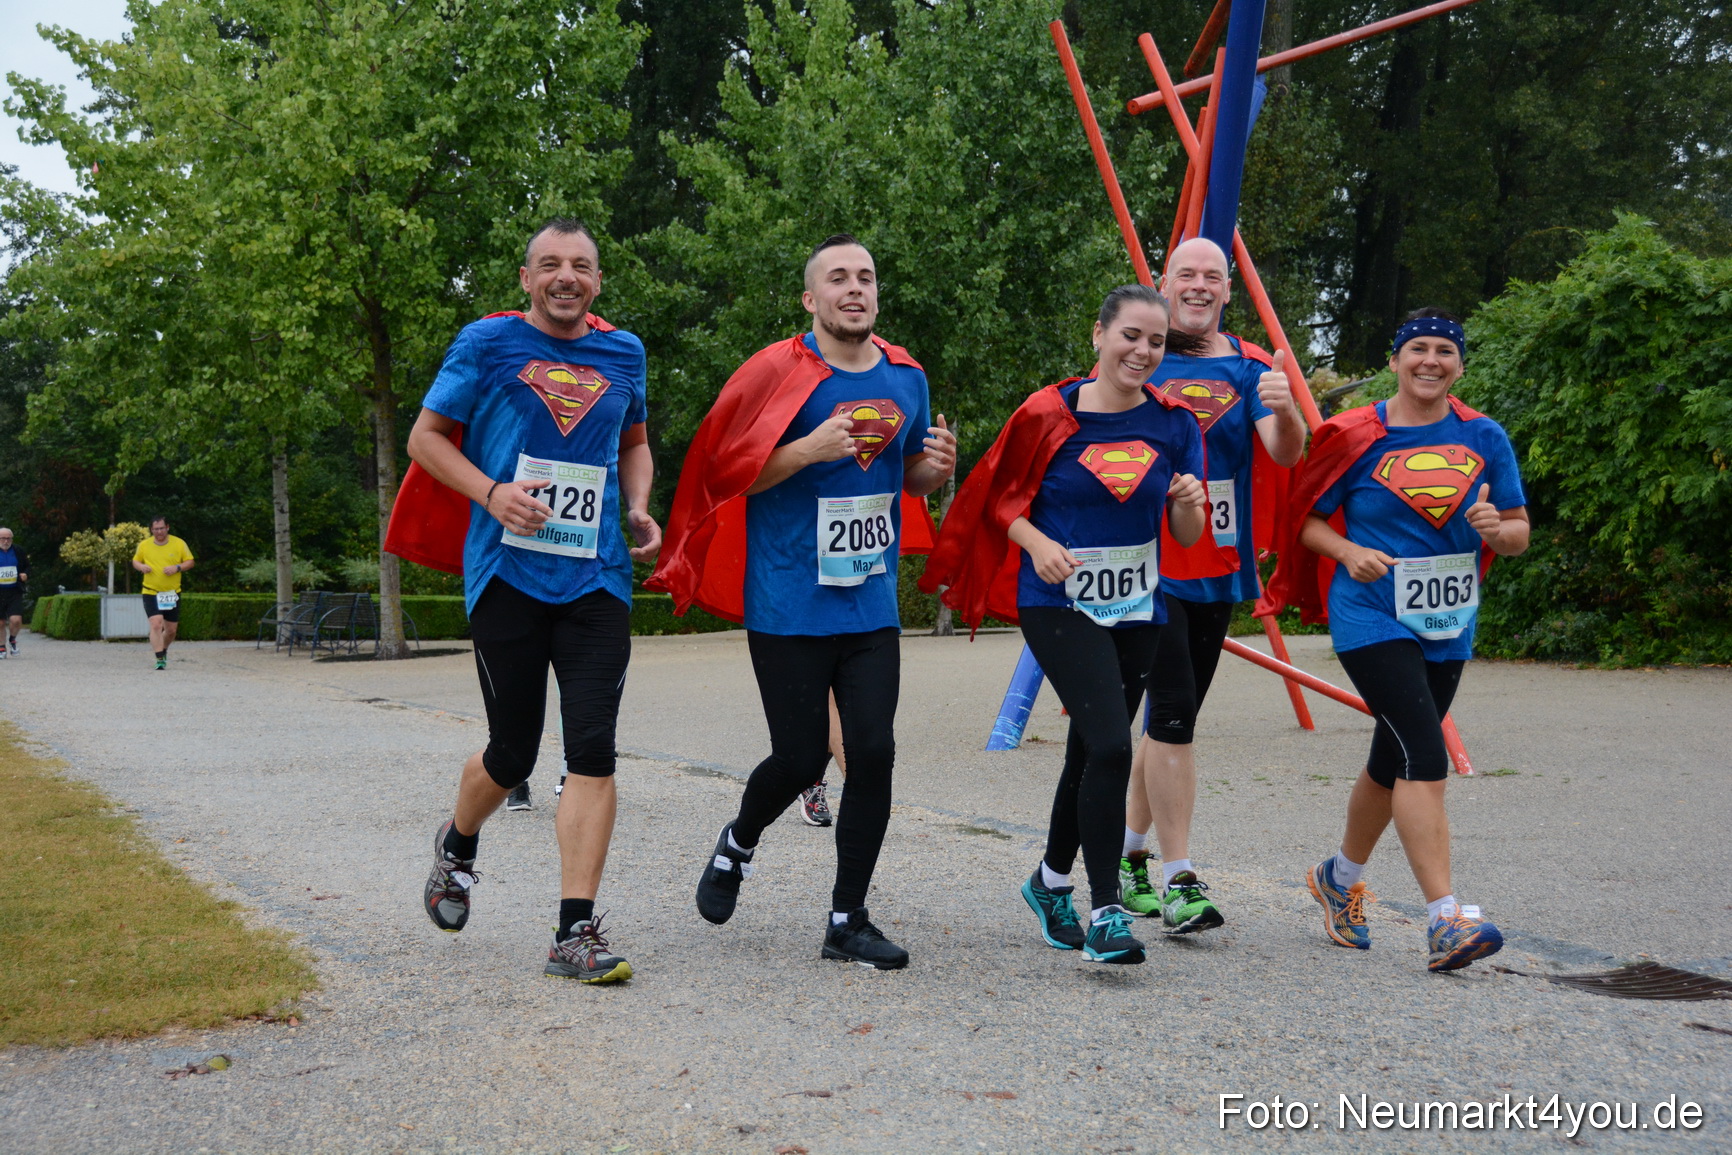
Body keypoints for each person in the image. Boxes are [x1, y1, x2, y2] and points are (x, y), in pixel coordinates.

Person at [651, 234, 955, 970]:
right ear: (810, 299)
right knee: (800, 755)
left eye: (867, 278)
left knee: (873, 753)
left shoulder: (906, 376)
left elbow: (905, 474)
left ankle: (848, 918)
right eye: (838, 279)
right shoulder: (774, 372)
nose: (856, 289)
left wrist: (931, 470)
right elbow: (728, 476)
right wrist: (804, 450)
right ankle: (739, 839)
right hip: (789, 600)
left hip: (868, 603)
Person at [403, 217, 660, 984]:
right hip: (506, 573)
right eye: (550, 264)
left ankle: (573, 933)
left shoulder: (625, 351)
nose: (566, 276)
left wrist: (639, 505)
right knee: (514, 749)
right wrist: (493, 493)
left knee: (592, 746)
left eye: (581, 265)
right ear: (526, 278)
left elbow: (635, 441)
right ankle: (457, 843)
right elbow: (424, 437)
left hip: (597, 579)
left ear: (598, 282)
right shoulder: (486, 343)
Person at [922, 284, 1208, 965]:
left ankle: (1049, 882)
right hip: (1057, 603)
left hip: (1138, 605)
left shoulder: (1175, 424)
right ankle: (1106, 911)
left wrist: (1191, 502)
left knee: (1089, 751)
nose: (1142, 350)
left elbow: (1187, 532)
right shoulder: (1047, 414)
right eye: (1130, 335)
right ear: (1098, 335)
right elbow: (997, 502)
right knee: (1112, 746)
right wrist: (1037, 542)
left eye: (1156, 341)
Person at [1259, 308, 1529, 972]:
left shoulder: (1485, 436)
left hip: (1447, 621)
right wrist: (1348, 551)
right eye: (1417, 349)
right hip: (1371, 614)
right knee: (1423, 750)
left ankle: (1336, 875)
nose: (1430, 360)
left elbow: (1519, 533)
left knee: (1391, 758)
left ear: (1460, 365)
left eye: (1444, 351)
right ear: (1395, 359)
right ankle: (1445, 920)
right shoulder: (1354, 433)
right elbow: (1306, 522)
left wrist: (1497, 528)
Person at [1119, 237, 1306, 933]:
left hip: (1219, 567)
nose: (1198, 285)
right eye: (1185, 274)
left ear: (1228, 290)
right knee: (1170, 715)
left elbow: (1285, 451)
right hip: (1148, 567)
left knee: (1172, 721)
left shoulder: (1254, 365)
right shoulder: (1140, 353)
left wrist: (1285, 407)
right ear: (1163, 282)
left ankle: (1129, 853)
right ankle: (1180, 878)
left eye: (1211, 276)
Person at [131, 517, 195, 670]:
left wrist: (177, 568)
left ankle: (163, 649)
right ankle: (159, 658)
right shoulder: (144, 545)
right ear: (151, 530)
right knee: (156, 623)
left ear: (167, 527)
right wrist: (141, 567)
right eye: (155, 529)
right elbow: (135, 561)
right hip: (150, 591)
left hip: (172, 593)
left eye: (161, 528)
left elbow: (190, 562)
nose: (159, 532)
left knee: (171, 630)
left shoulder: (179, 543)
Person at [0, 527, 28, 658]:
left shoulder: (18, 551)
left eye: (8, 538)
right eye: (3, 538)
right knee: (0, 622)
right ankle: (1, 647)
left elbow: (28, 566)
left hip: (14, 591)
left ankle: (12, 639)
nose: (6, 541)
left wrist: (25, 574)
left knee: (16, 620)